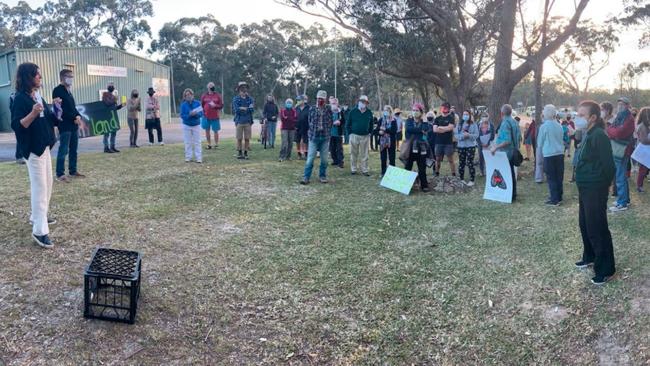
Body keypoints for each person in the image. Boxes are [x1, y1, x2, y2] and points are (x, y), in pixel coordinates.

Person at [11, 62, 62, 248]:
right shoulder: (20, 99)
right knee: (40, 188)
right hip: (33, 149)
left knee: (48, 184)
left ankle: (38, 216)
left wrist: (56, 108)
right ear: (27, 78)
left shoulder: (37, 96)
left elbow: (50, 118)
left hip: (45, 146)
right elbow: (17, 125)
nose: (40, 77)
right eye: (37, 75)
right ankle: (40, 231)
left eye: (40, 74)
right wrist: (33, 113)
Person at [574, 100, 616, 285]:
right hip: (585, 187)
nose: (578, 118)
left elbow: (609, 165)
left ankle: (606, 269)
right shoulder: (588, 133)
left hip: (595, 188)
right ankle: (589, 256)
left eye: (582, 115)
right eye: (578, 114)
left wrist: (604, 186)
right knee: (585, 223)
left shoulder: (599, 135)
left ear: (593, 117)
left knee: (597, 227)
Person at [52, 69, 84, 181]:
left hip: (73, 125)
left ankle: (73, 170)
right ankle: (60, 173)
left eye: (72, 76)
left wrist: (78, 115)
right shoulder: (57, 90)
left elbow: (72, 107)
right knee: (64, 149)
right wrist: (74, 117)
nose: (71, 78)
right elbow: (61, 109)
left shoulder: (69, 92)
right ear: (62, 77)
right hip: (65, 125)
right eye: (68, 76)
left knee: (73, 149)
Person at [606, 97, 635, 212]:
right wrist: (612, 131)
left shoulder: (629, 119)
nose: (620, 106)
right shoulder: (620, 117)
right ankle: (625, 199)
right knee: (621, 175)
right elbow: (611, 129)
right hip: (618, 149)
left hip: (623, 150)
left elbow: (618, 132)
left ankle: (622, 203)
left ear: (627, 105)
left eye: (622, 104)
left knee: (620, 176)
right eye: (618, 104)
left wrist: (611, 131)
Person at [490, 104, 521, 202]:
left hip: (507, 153)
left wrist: (496, 147)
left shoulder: (505, 123)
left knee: (508, 174)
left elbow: (507, 140)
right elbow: (519, 137)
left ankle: (510, 195)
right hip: (514, 151)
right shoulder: (515, 122)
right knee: (511, 173)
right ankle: (513, 194)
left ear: (502, 113)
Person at [301, 90, 333, 185]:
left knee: (324, 159)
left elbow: (331, 122)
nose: (320, 100)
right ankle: (306, 177)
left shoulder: (328, 109)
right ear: (316, 98)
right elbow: (309, 121)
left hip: (325, 137)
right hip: (313, 137)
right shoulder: (312, 109)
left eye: (322, 99)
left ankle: (322, 176)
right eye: (319, 98)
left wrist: (327, 131)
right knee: (310, 158)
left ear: (325, 99)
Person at [537, 104, 565, 206]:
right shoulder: (559, 125)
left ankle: (554, 199)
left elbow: (540, 143)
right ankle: (559, 197)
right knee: (559, 176)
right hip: (560, 153)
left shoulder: (544, 127)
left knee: (551, 177)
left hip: (549, 154)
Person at [404, 103, 431, 192]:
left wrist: (424, 124)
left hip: (421, 148)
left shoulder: (424, 122)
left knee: (422, 168)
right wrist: (420, 130)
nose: (415, 112)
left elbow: (426, 129)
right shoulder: (409, 121)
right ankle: (405, 185)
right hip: (410, 147)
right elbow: (409, 129)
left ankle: (424, 185)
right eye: (414, 110)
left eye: (417, 110)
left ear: (421, 112)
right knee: (408, 166)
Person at [346, 95, 374, 176]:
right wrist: (350, 133)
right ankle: (353, 169)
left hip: (365, 136)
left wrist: (370, 132)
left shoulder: (369, 112)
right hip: (354, 135)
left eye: (365, 102)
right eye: (362, 102)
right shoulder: (353, 111)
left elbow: (371, 124)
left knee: (365, 154)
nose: (363, 103)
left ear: (366, 103)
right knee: (353, 153)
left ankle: (364, 169)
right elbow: (348, 124)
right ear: (359, 102)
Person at [456, 109, 479, 186]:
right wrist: (462, 136)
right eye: (464, 114)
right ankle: (461, 179)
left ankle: (472, 180)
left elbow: (476, 135)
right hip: (461, 146)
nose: (465, 116)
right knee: (461, 162)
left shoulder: (474, 124)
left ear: (470, 116)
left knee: (470, 162)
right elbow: (456, 135)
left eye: (467, 114)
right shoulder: (459, 124)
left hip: (470, 146)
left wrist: (469, 135)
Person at [180, 88, 203, 163]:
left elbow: (201, 114)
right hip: (187, 125)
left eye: (189, 94)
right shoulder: (183, 105)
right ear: (185, 97)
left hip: (196, 124)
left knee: (197, 142)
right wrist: (189, 115)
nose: (188, 96)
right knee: (188, 142)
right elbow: (182, 115)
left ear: (192, 95)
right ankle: (188, 157)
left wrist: (195, 114)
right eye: (186, 95)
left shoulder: (198, 103)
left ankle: (198, 158)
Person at [232, 81, 254, 159]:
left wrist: (242, 108)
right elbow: (236, 110)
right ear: (239, 91)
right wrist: (245, 109)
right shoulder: (235, 99)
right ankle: (240, 152)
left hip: (248, 121)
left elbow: (251, 110)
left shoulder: (250, 99)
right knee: (239, 138)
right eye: (242, 90)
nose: (243, 92)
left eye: (245, 90)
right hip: (239, 121)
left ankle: (246, 152)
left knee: (247, 138)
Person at [433, 102, 456, 177]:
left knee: (450, 159)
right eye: (443, 107)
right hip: (438, 142)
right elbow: (435, 130)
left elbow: (450, 128)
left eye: (446, 107)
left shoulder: (451, 118)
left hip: (448, 143)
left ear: (449, 109)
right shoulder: (437, 118)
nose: (444, 109)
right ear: (441, 108)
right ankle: (437, 173)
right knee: (437, 159)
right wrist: (445, 129)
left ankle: (453, 174)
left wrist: (440, 128)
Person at [101, 81, 124, 153]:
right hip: (107, 116)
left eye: (112, 86)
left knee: (114, 132)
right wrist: (114, 100)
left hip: (113, 116)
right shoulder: (105, 94)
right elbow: (107, 103)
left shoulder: (114, 96)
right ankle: (106, 147)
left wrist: (121, 105)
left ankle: (112, 146)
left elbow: (114, 107)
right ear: (108, 87)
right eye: (110, 85)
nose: (112, 87)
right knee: (106, 133)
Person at [200, 82, 223, 149]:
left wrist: (215, 105)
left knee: (215, 131)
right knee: (207, 130)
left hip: (215, 116)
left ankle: (216, 144)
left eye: (212, 86)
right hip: (206, 116)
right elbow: (201, 105)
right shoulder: (204, 95)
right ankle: (209, 144)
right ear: (207, 87)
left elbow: (221, 105)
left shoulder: (218, 95)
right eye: (210, 86)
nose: (211, 87)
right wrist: (203, 112)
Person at [634, 107, 650, 192]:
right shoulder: (643, 126)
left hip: (645, 149)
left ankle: (639, 185)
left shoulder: (644, 124)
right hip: (644, 150)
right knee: (643, 169)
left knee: (643, 169)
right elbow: (644, 140)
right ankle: (639, 186)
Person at [378, 105, 397, 176]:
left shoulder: (393, 120)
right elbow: (377, 130)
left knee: (392, 158)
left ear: (390, 111)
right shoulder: (381, 120)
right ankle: (383, 172)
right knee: (383, 158)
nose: (385, 112)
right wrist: (379, 133)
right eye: (384, 110)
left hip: (391, 142)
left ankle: (392, 173)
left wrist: (385, 129)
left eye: (386, 110)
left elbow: (394, 131)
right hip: (382, 142)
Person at [329, 97, 345, 168]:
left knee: (339, 148)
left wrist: (340, 122)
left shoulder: (340, 112)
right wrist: (332, 122)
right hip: (330, 133)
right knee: (332, 148)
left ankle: (340, 162)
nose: (333, 105)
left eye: (335, 103)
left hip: (338, 133)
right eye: (332, 103)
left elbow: (344, 121)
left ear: (337, 104)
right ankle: (334, 160)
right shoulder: (328, 112)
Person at [295, 95, 310, 160]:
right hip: (297, 127)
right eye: (298, 100)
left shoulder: (309, 108)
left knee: (306, 141)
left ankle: (306, 154)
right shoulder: (296, 108)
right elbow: (294, 117)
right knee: (297, 141)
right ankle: (299, 154)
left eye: (300, 100)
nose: (298, 101)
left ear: (304, 100)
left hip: (306, 127)